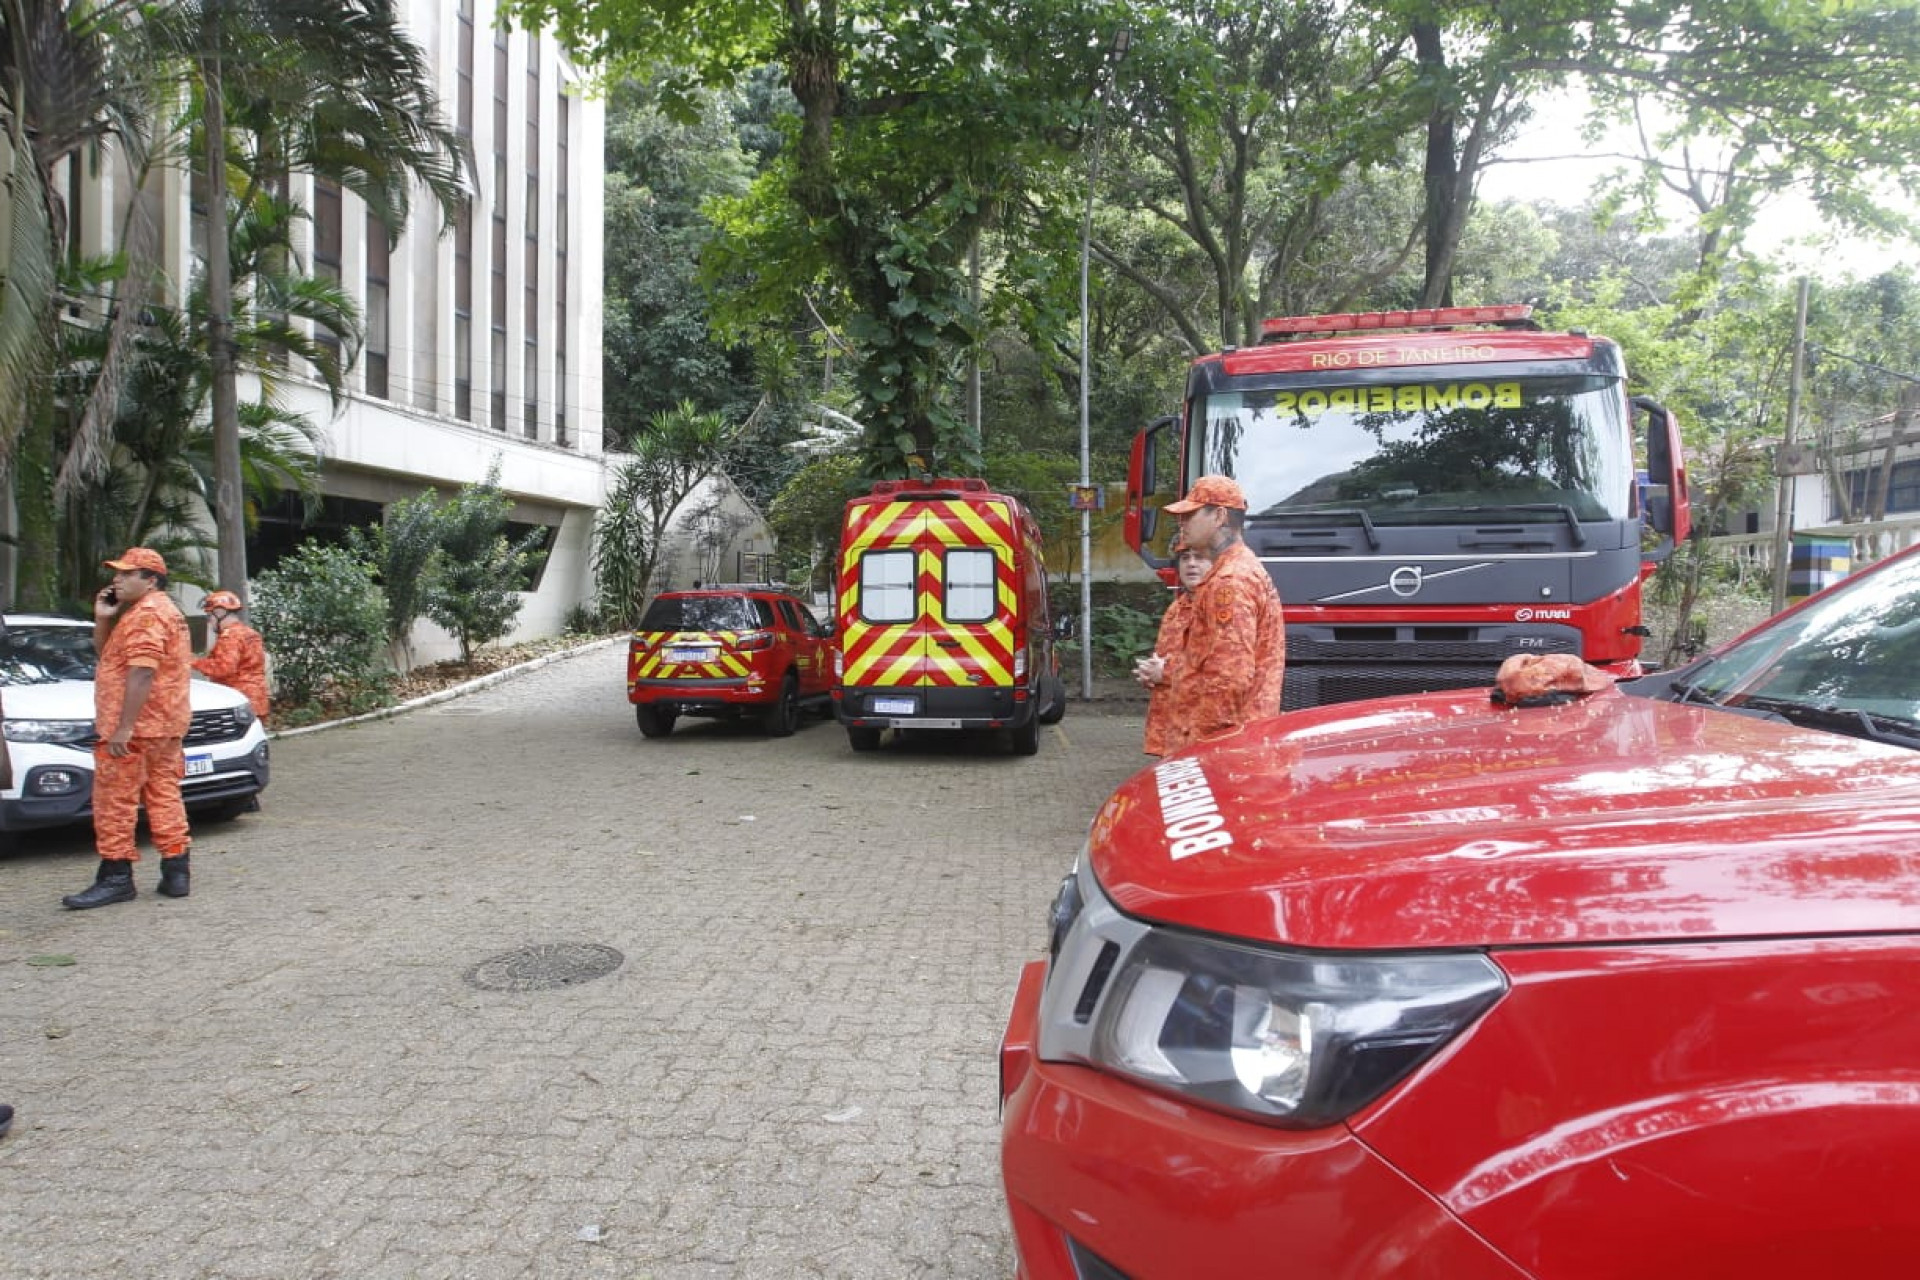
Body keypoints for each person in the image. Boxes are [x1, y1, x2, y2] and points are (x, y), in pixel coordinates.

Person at [61, 547, 194, 910]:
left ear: (150, 580)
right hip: (163, 727)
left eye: (126, 574)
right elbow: (111, 658)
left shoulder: (148, 615)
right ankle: (176, 871)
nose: (116, 579)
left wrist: (123, 728)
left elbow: (143, 671)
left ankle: (116, 876)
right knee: (164, 795)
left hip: (135, 731)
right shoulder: (160, 611)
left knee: (114, 803)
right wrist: (104, 619)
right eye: (116, 573)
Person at [1151, 474, 1286, 751]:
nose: (1182, 523)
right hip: (1234, 741)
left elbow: (1229, 676)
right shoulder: (1233, 571)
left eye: (1190, 515)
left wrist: (1204, 747)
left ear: (1219, 516)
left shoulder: (1230, 580)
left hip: (1222, 748)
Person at [1136, 541, 1213, 755]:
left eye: (1199, 557)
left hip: (1203, 733)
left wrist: (1165, 673)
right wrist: (1150, 674)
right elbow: (1165, 659)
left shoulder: (1218, 607)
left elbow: (1222, 672)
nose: (1191, 564)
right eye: (1185, 558)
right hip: (1173, 733)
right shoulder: (1176, 608)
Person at [194, 589, 270, 721]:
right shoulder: (249, 633)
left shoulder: (230, 637)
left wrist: (193, 661)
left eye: (209, 616)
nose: (209, 622)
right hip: (257, 699)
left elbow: (223, 669)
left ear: (219, 613)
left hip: (237, 702)